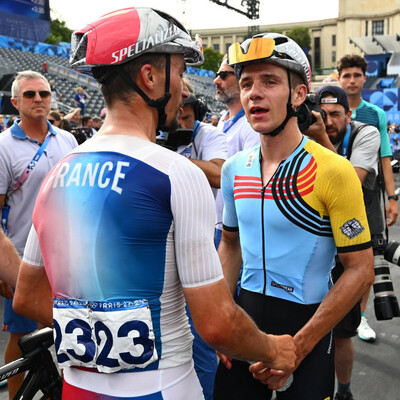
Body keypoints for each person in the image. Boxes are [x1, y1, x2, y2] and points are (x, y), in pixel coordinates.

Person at [13, 9, 297, 400]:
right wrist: (274, 349)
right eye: (179, 73)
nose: (183, 89)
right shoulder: (175, 172)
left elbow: (27, 295)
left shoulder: (59, 170)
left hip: (78, 387)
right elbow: (216, 323)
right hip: (162, 387)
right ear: (150, 77)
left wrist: (95, 324)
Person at [213, 33, 375, 400]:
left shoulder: (334, 170)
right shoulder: (235, 168)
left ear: (299, 95)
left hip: (309, 329)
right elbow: (231, 244)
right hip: (245, 322)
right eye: (246, 83)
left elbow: (361, 269)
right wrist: (224, 321)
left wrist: (298, 348)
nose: (254, 93)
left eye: (270, 82)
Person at [0, 70, 78, 400]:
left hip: (67, 256)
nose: (38, 100)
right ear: (16, 102)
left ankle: (59, 390)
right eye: (30, 95)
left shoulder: (68, 140)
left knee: (68, 332)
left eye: (44, 94)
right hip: (22, 259)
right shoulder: (4, 146)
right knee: (21, 338)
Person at [306, 85, 381, 400]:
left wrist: (320, 137)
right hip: (317, 246)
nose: (329, 120)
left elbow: (351, 179)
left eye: (336, 114)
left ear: (350, 115)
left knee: (343, 332)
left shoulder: (367, 134)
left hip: (354, 243)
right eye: (323, 114)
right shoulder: (302, 133)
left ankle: (345, 392)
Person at [337, 54, 398, 342]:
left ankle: (358, 317)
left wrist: (393, 197)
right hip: (332, 199)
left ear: (364, 78)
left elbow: (385, 157)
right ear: (339, 79)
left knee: (366, 263)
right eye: (346, 75)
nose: (351, 80)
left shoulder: (376, 114)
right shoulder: (327, 107)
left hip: (369, 198)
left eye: (356, 75)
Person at [176, 91, 227, 400]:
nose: (180, 122)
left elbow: (220, 173)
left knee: (200, 334)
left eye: (187, 116)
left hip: (201, 240)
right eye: (176, 116)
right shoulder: (151, 133)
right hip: (162, 243)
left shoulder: (210, 134)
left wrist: (174, 158)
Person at [213, 57, 260, 247]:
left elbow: (249, 183)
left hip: (237, 230)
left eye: (223, 75)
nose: (216, 80)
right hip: (219, 224)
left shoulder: (251, 126)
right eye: (217, 75)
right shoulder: (224, 117)